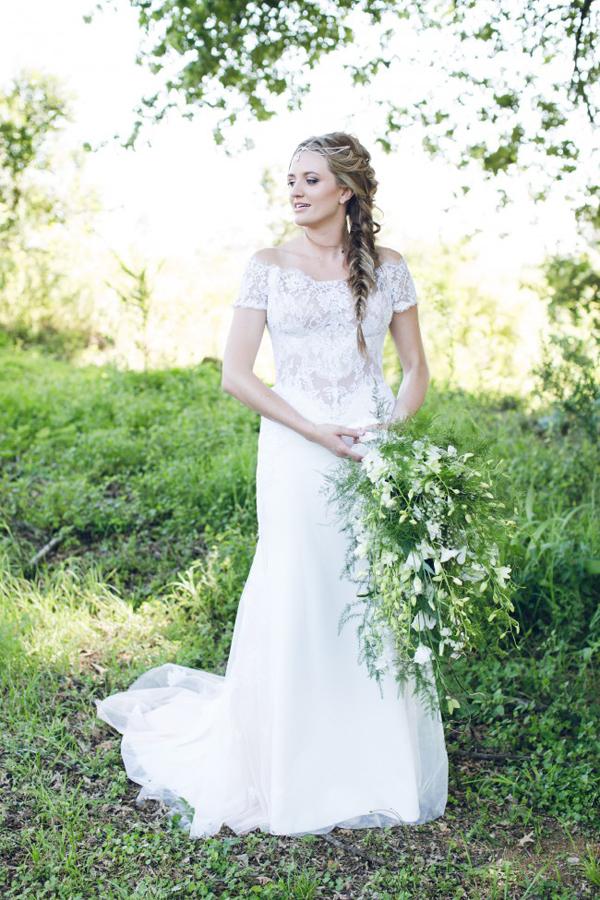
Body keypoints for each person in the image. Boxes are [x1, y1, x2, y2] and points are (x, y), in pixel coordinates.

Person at [95, 132, 448, 838]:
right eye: (290, 179)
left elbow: (415, 370)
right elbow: (236, 374)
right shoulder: (266, 265)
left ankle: (373, 760)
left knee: (367, 595)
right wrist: (316, 432)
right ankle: (288, 763)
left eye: (310, 180)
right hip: (296, 448)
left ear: (344, 191)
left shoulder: (390, 268)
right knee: (297, 586)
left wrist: (386, 431)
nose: (294, 190)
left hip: (370, 451)